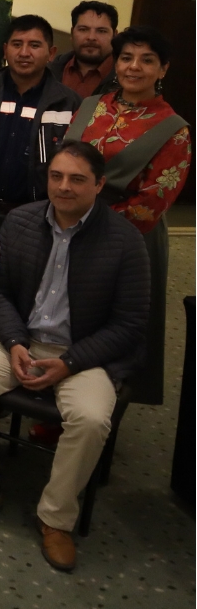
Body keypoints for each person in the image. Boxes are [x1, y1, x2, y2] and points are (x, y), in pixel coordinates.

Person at [0, 143, 150, 573]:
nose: (64, 187)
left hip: (83, 354)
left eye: (76, 179)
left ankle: (55, 519)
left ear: (99, 184)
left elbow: (130, 325)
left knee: (90, 419)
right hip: (20, 340)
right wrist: (14, 341)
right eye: (56, 176)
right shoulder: (20, 221)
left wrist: (69, 363)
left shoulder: (125, 241)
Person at [65, 25, 191, 406]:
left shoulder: (175, 129)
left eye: (147, 60)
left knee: (110, 323)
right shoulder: (92, 105)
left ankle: (99, 401)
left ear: (163, 69)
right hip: (68, 223)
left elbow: (151, 203)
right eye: (126, 57)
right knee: (64, 313)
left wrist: (88, 226)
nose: (134, 67)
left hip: (127, 236)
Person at [0, 15, 81, 222]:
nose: (24, 53)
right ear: (5, 49)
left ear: (51, 53)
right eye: (17, 44)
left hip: (36, 217)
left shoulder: (68, 104)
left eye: (34, 45)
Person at [49, 0, 120, 97]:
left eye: (101, 31)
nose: (91, 37)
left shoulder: (125, 78)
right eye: (83, 29)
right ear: (72, 33)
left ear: (114, 36)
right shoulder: (49, 72)